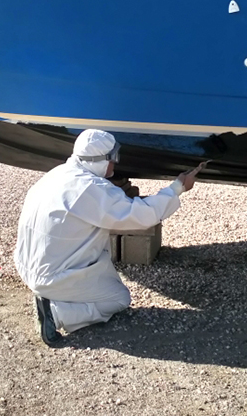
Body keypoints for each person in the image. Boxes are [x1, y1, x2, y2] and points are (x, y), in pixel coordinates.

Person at [14, 129, 202, 345]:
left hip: (28, 266)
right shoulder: (89, 188)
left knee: (103, 274)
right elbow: (140, 216)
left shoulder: (58, 174)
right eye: (113, 158)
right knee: (119, 299)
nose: (115, 164)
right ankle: (56, 313)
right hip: (52, 276)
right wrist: (177, 188)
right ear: (99, 160)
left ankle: (53, 296)